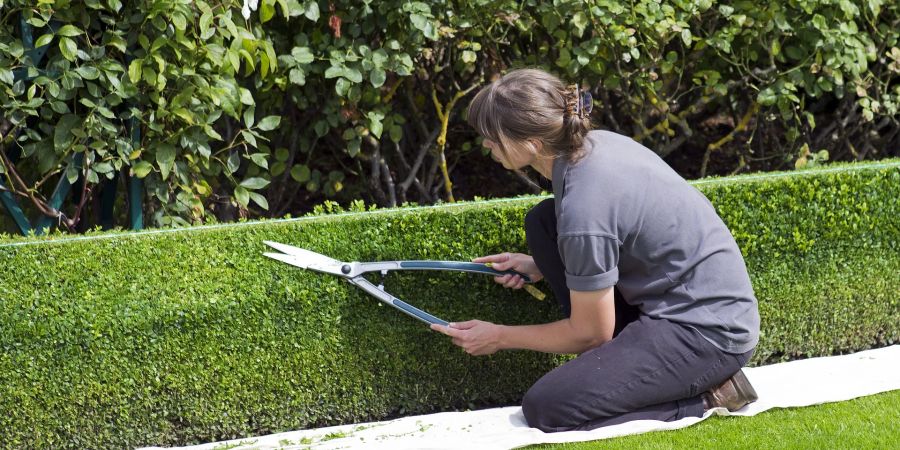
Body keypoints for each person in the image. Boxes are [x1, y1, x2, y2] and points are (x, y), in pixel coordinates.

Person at [430, 68, 761, 432]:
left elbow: (591, 334)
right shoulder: (593, 146)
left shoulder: (584, 208)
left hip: (706, 333)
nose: (486, 146)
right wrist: (538, 265)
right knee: (543, 223)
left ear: (532, 143)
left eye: (491, 137)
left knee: (547, 407)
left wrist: (499, 336)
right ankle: (626, 369)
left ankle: (708, 396)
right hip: (686, 302)